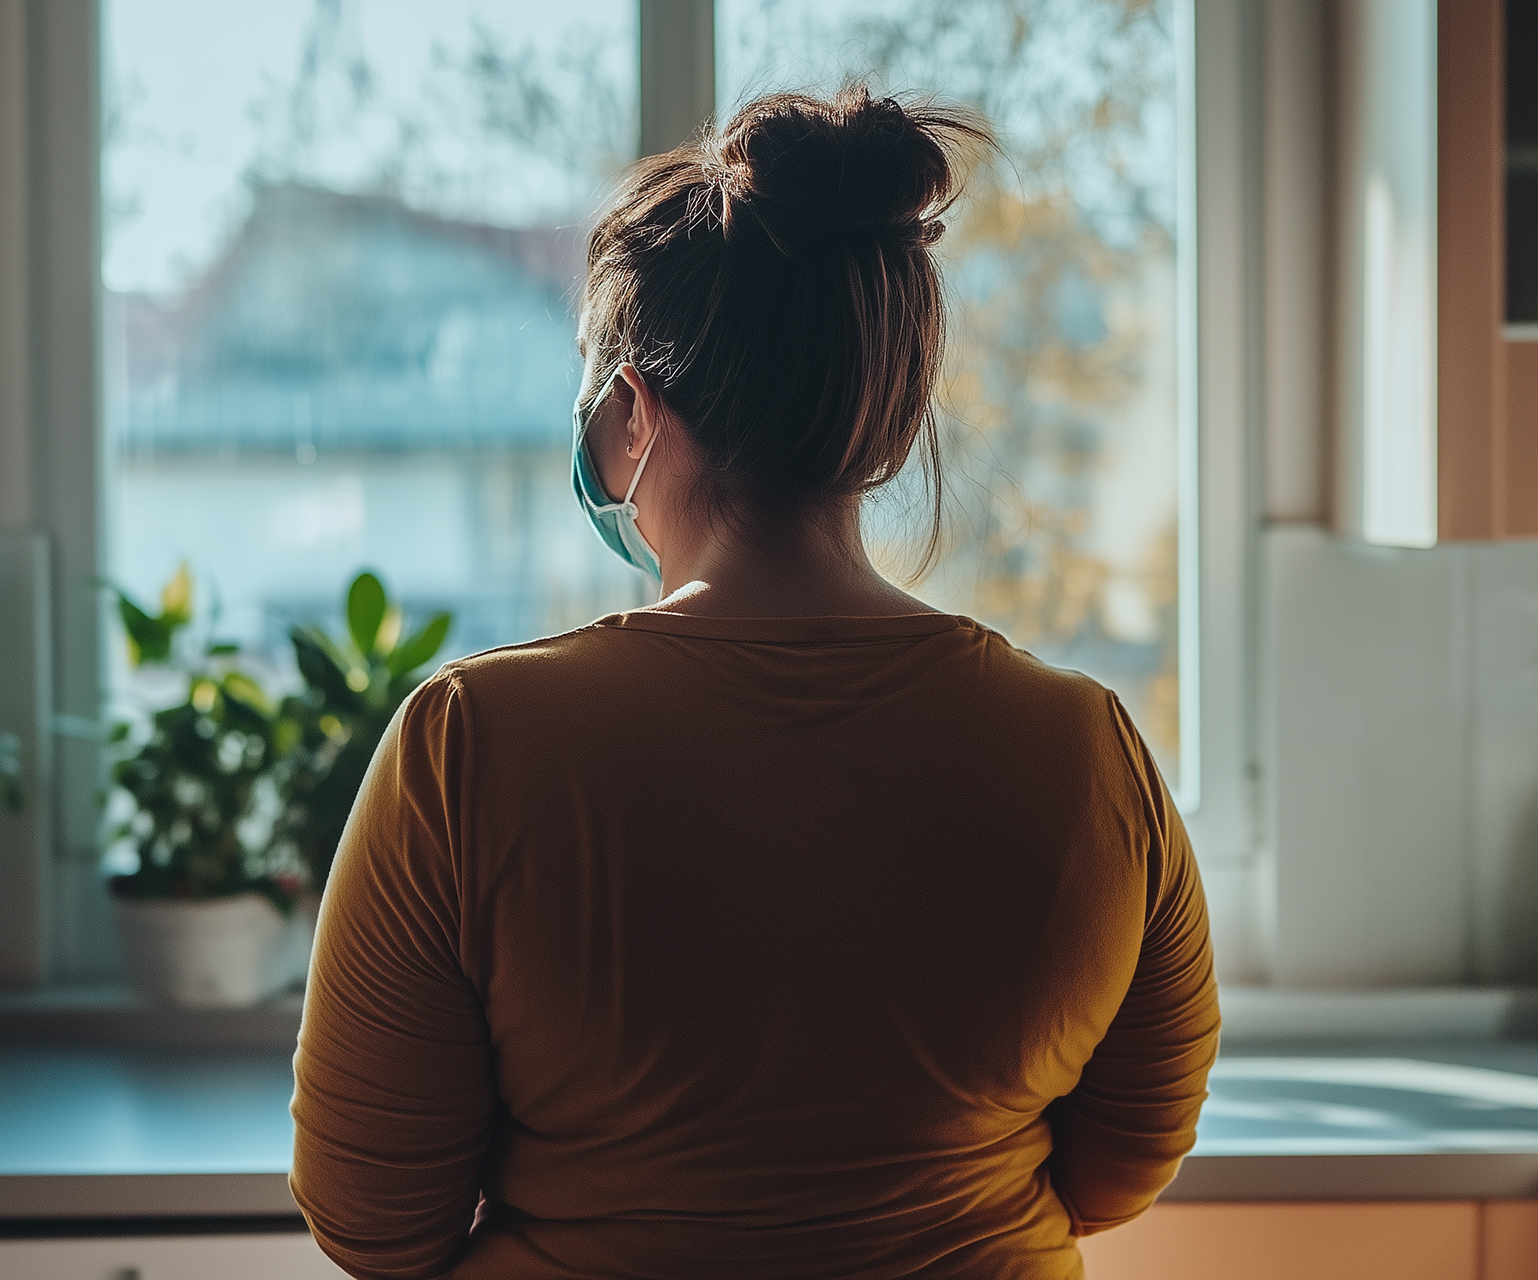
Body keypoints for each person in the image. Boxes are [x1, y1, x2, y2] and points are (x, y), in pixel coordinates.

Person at [290, 86, 1219, 1280]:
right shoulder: (1089, 754)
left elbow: (374, 1220)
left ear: (631, 411)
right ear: (884, 405)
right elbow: (1118, 1169)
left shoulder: (469, 749)